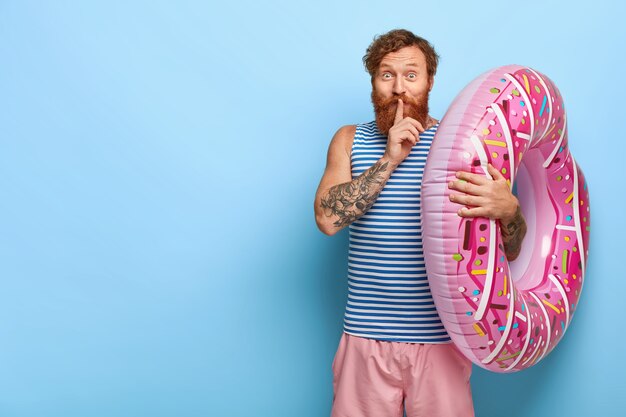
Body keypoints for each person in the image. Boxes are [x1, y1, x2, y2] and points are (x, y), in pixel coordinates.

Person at [313, 29, 527, 417]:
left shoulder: (464, 146)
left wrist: (509, 211)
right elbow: (327, 220)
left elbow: (508, 253)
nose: (399, 88)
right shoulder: (349, 140)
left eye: (411, 75)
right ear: (373, 83)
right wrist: (390, 159)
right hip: (365, 339)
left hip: (443, 342)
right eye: (386, 75)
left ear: (429, 81)